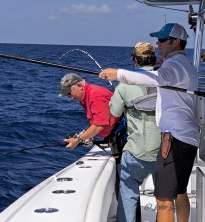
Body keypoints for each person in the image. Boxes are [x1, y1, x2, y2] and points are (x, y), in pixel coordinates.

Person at [99, 23, 199, 222]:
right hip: (188, 137)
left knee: (163, 199)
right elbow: (165, 76)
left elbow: (155, 79)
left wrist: (119, 74)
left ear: (176, 42)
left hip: (173, 140)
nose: (158, 43)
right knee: (180, 191)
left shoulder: (173, 66)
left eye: (162, 40)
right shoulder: (186, 65)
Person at [110, 42, 161, 222]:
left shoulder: (124, 85)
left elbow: (114, 113)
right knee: (163, 199)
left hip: (135, 152)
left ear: (135, 61)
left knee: (128, 192)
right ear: (155, 59)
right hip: (163, 151)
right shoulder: (166, 79)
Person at [58, 73, 119, 149]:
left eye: (69, 93)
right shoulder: (84, 97)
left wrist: (78, 140)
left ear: (80, 86)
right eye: (67, 94)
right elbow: (94, 118)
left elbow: (99, 125)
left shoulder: (95, 96)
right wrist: (89, 137)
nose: (69, 96)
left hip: (121, 135)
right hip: (112, 135)